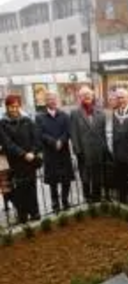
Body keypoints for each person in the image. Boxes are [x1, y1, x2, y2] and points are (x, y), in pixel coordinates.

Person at [1, 95, 42, 223]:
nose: (14, 109)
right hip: (16, 162)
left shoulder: (27, 120)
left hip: (30, 161)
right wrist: (24, 154)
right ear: (7, 107)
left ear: (19, 106)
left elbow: (36, 138)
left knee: (31, 187)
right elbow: (8, 144)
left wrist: (33, 152)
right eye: (11, 106)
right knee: (19, 189)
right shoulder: (3, 123)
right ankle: (22, 216)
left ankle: (35, 213)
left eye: (16, 106)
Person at [36, 92, 74, 212]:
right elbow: (40, 133)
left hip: (63, 151)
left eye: (53, 99)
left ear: (57, 100)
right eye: (49, 99)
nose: (52, 101)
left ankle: (65, 200)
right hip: (50, 152)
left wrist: (61, 141)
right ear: (45, 101)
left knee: (65, 179)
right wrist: (53, 142)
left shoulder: (64, 115)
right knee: (53, 180)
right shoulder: (40, 117)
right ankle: (55, 202)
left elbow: (68, 131)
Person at [70, 86, 107, 203]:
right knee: (85, 176)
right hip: (83, 150)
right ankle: (87, 197)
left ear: (92, 96)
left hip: (97, 150)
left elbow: (103, 132)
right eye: (84, 95)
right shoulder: (75, 113)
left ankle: (97, 196)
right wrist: (77, 150)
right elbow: (73, 133)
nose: (87, 97)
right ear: (80, 97)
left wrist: (104, 148)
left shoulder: (100, 112)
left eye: (89, 95)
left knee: (98, 175)